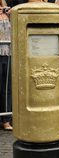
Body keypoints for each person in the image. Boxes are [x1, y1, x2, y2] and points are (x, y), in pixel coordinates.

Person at [0, 0, 12, 130]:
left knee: (7, 88)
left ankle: (6, 120)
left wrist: (9, 12)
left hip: (8, 53)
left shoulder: (6, 10)